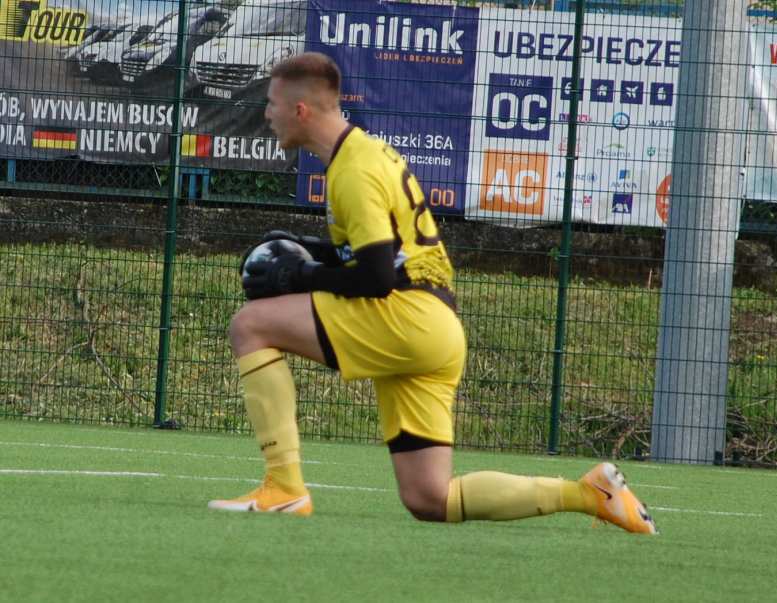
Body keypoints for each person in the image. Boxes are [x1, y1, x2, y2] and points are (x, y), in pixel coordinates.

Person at [208, 52, 657, 534]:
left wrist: (302, 276)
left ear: (301, 110)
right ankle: (590, 494)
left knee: (250, 325)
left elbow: (377, 279)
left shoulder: (352, 171)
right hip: (436, 327)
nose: (267, 113)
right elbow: (387, 253)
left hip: (403, 314)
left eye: (272, 103)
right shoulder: (370, 152)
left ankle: (283, 488)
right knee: (429, 497)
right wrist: (313, 252)